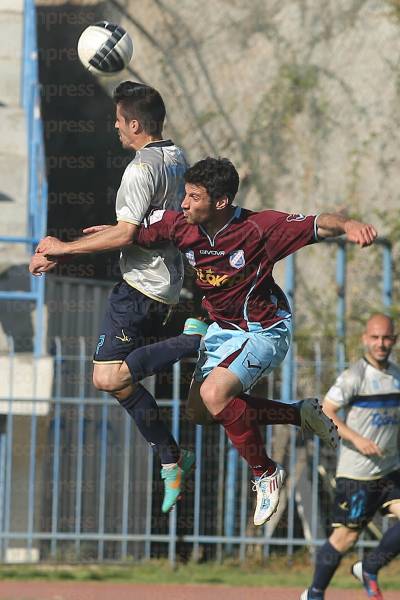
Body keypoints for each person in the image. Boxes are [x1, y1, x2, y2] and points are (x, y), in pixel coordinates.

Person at [85, 155, 377, 526]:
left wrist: (349, 224)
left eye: (193, 197)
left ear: (220, 202)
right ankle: (298, 413)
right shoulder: (181, 225)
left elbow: (319, 223)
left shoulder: (260, 227)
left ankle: (266, 472)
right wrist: (94, 238)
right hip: (222, 329)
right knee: (201, 413)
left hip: (264, 329)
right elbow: (131, 231)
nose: (184, 203)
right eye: (185, 195)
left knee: (214, 395)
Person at [30, 80, 207, 513]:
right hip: (163, 283)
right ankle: (171, 456)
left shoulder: (139, 168)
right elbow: (146, 225)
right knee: (118, 381)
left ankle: (196, 342)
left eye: (117, 121)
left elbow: (128, 232)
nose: (115, 128)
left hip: (140, 288)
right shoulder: (174, 155)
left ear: (133, 123)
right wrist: (103, 234)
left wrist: (62, 250)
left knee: (108, 378)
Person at [301, 313, 400, 600]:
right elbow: (326, 411)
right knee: (346, 538)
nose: (381, 343)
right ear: (365, 339)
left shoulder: (396, 374)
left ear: (394, 340)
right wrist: (358, 438)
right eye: (375, 338)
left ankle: (369, 567)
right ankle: (315, 593)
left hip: (389, 470)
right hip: (357, 474)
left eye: (387, 338)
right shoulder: (354, 376)